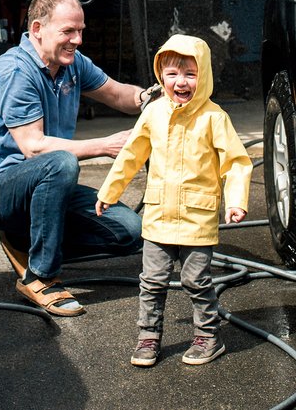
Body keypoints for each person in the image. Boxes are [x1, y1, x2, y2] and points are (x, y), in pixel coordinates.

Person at [0, 0, 152, 317]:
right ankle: (41, 276)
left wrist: (153, 99)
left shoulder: (72, 65)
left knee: (131, 231)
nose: (77, 40)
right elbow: (34, 146)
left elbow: (117, 93)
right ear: (38, 29)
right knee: (61, 163)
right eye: (68, 31)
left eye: (80, 31)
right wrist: (104, 146)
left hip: (48, 184)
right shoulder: (16, 70)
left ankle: (25, 241)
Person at [95, 34, 252, 367]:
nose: (181, 82)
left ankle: (208, 337)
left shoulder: (214, 117)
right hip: (158, 218)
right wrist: (109, 192)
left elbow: (236, 162)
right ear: (160, 76)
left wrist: (236, 200)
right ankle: (148, 337)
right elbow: (130, 155)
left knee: (196, 280)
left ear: (204, 76)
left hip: (197, 218)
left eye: (190, 74)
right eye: (172, 74)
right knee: (151, 282)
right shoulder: (153, 113)